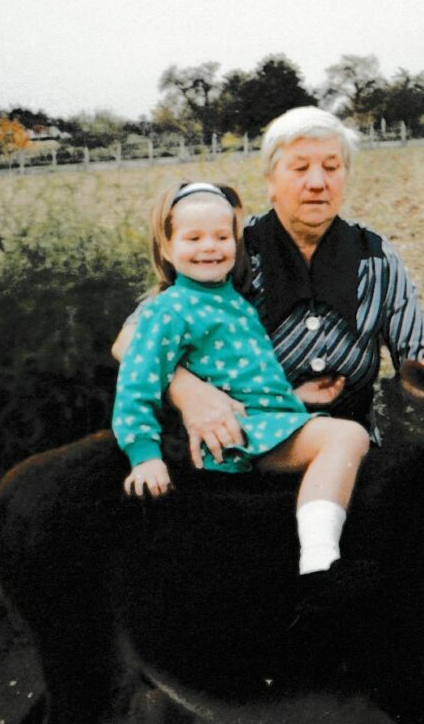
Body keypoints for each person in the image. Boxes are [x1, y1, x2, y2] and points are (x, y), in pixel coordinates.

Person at [113, 106, 424, 460]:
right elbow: (129, 339)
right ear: (270, 181)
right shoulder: (230, 248)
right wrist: (189, 392)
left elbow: (419, 361)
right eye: (299, 168)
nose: (317, 182)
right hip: (238, 451)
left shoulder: (376, 258)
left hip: (353, 454)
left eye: (331, 167)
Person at [113, 181, 370, 577]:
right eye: (193, 238)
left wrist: (295, 395)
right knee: (349, 436)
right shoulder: (167, 310)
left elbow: (242, 377)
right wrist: (143, 455)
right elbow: (137, 381)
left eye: (221, 236)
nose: (209, 247)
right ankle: (320, 560)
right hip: (240, 434)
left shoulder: (232, 301)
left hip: (263, 420)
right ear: (166, 248)